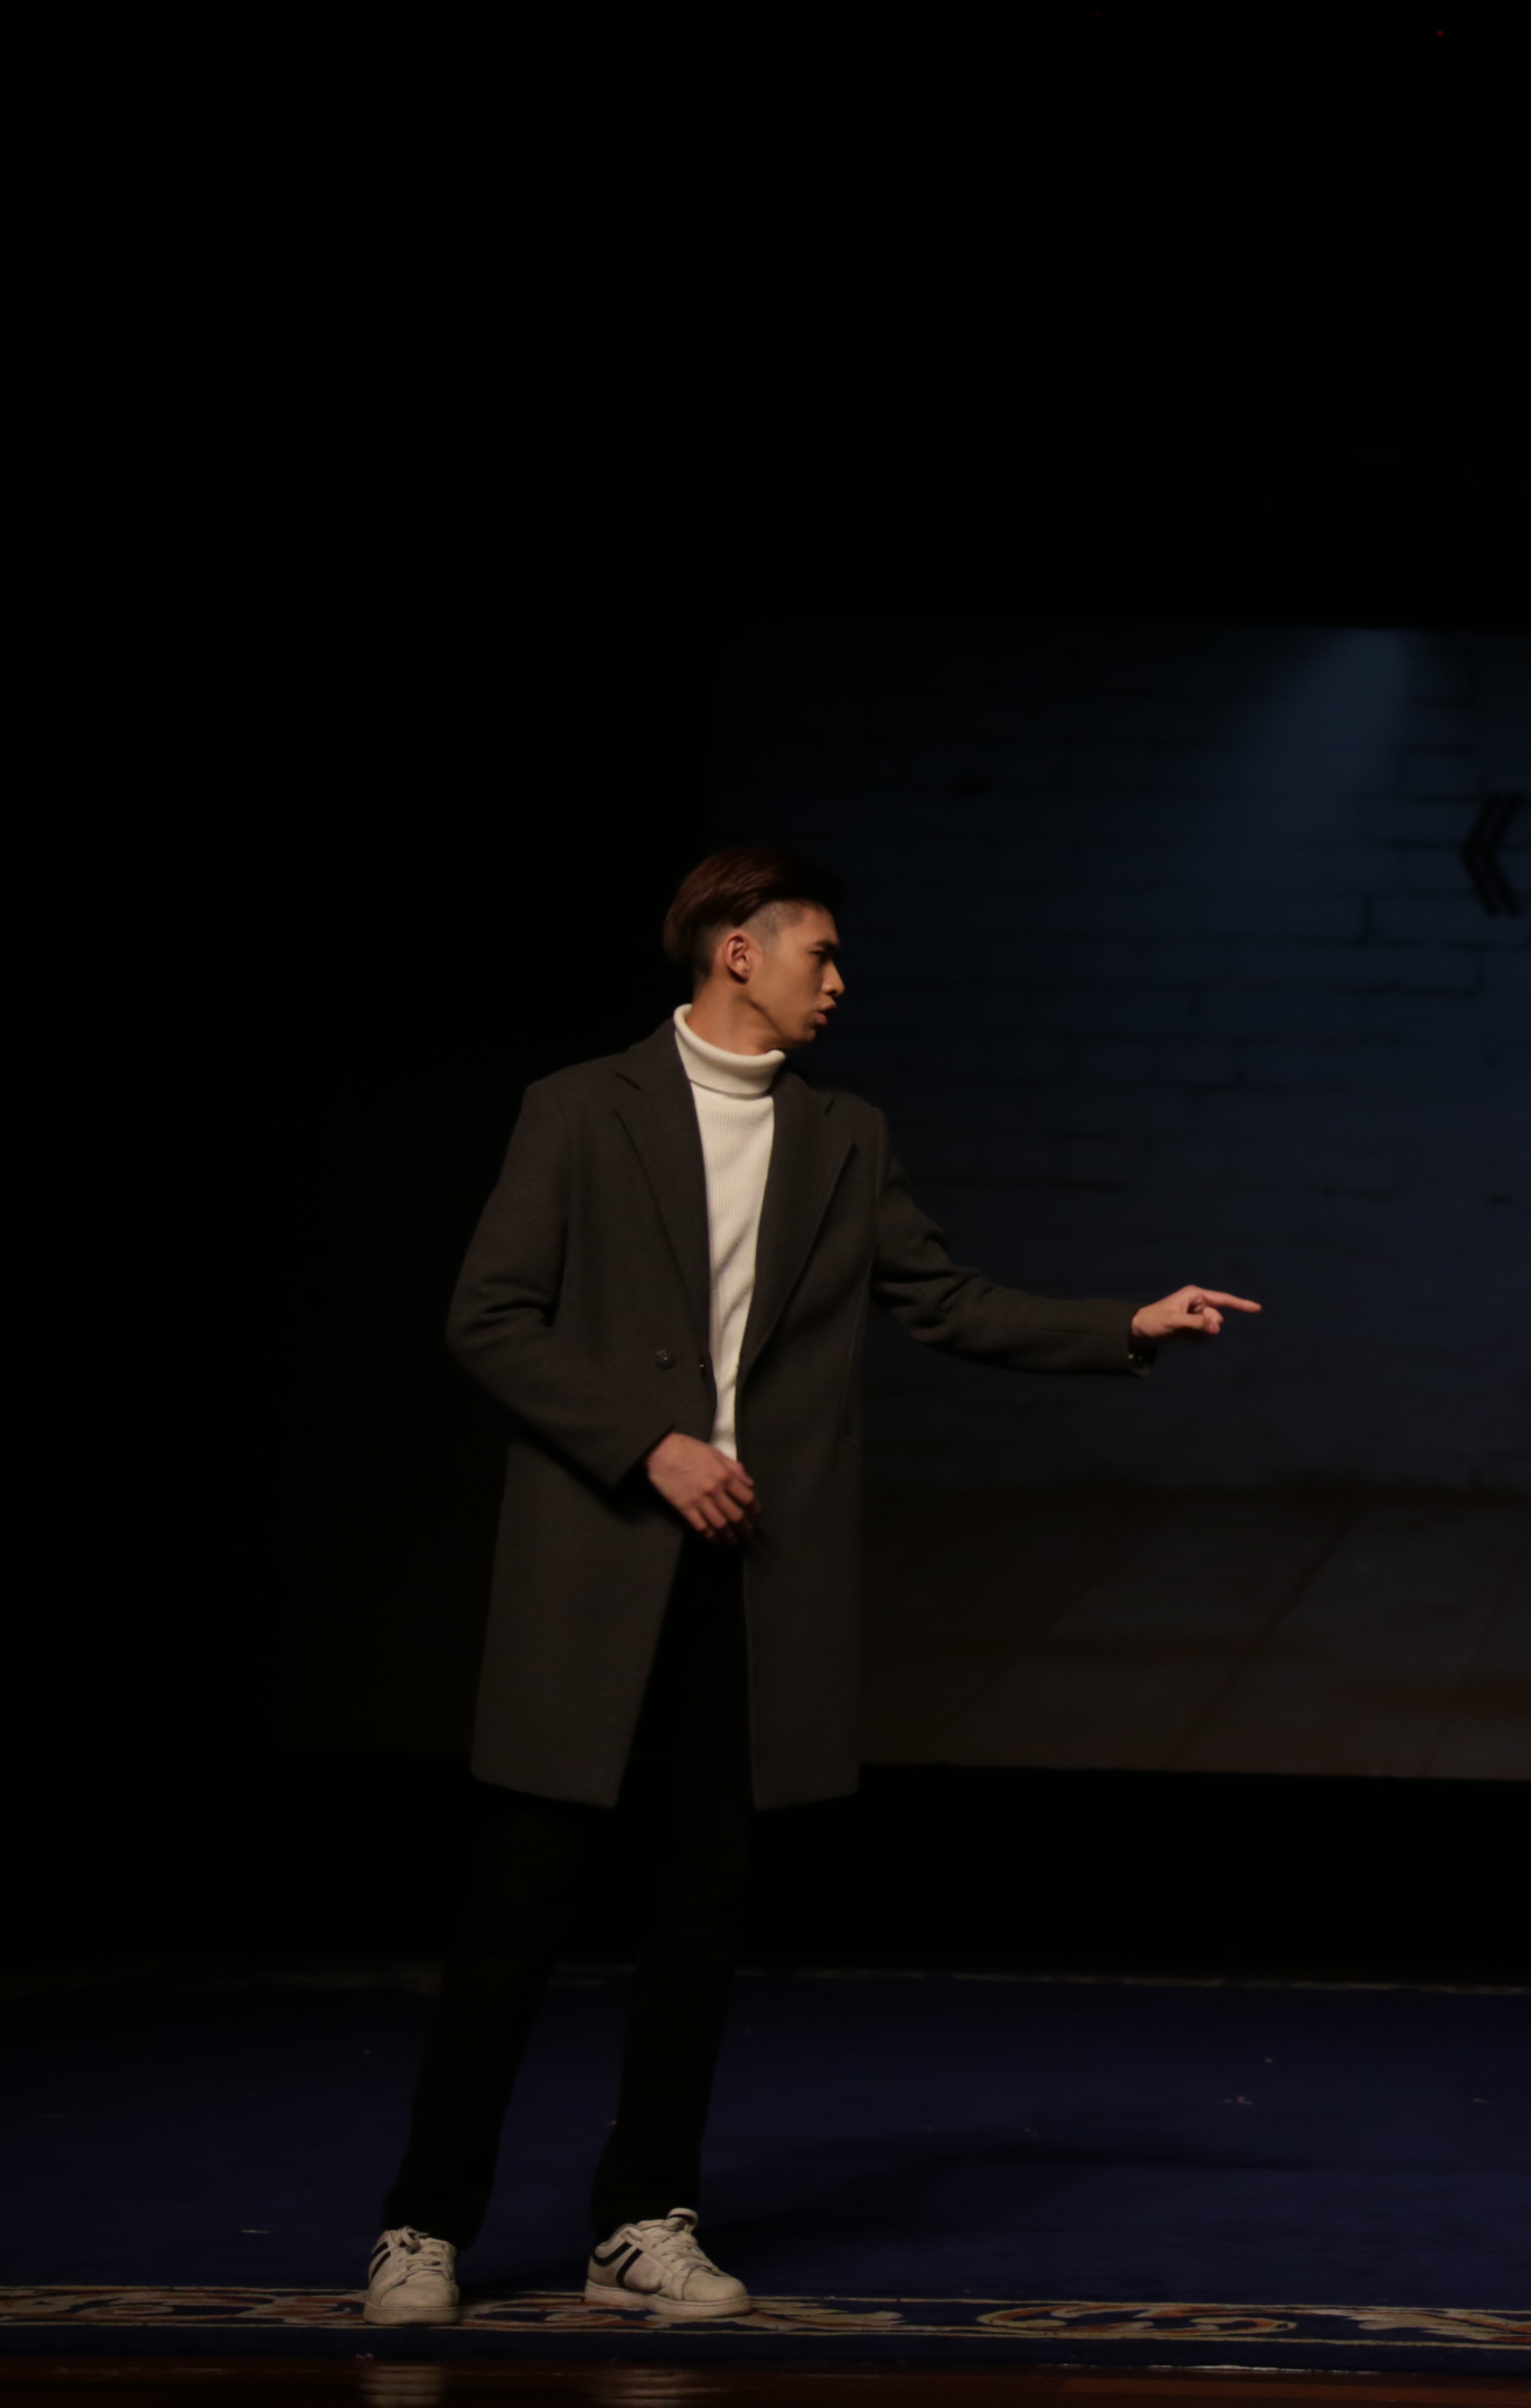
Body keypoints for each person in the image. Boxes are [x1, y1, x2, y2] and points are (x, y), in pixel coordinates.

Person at [361, 848, 1261, 2329]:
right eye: (819, 954)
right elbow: (492, 1316)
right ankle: (424, 2226)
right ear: (738, 950)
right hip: (598, 1565)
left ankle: (641, 2223)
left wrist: (1126, 1326)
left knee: (701, 1912)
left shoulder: (843, 1135)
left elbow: (943, 1299)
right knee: (519, 1902)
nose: (838, 982)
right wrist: (648, 1443)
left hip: (748, 1578)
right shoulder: (580, 1107)